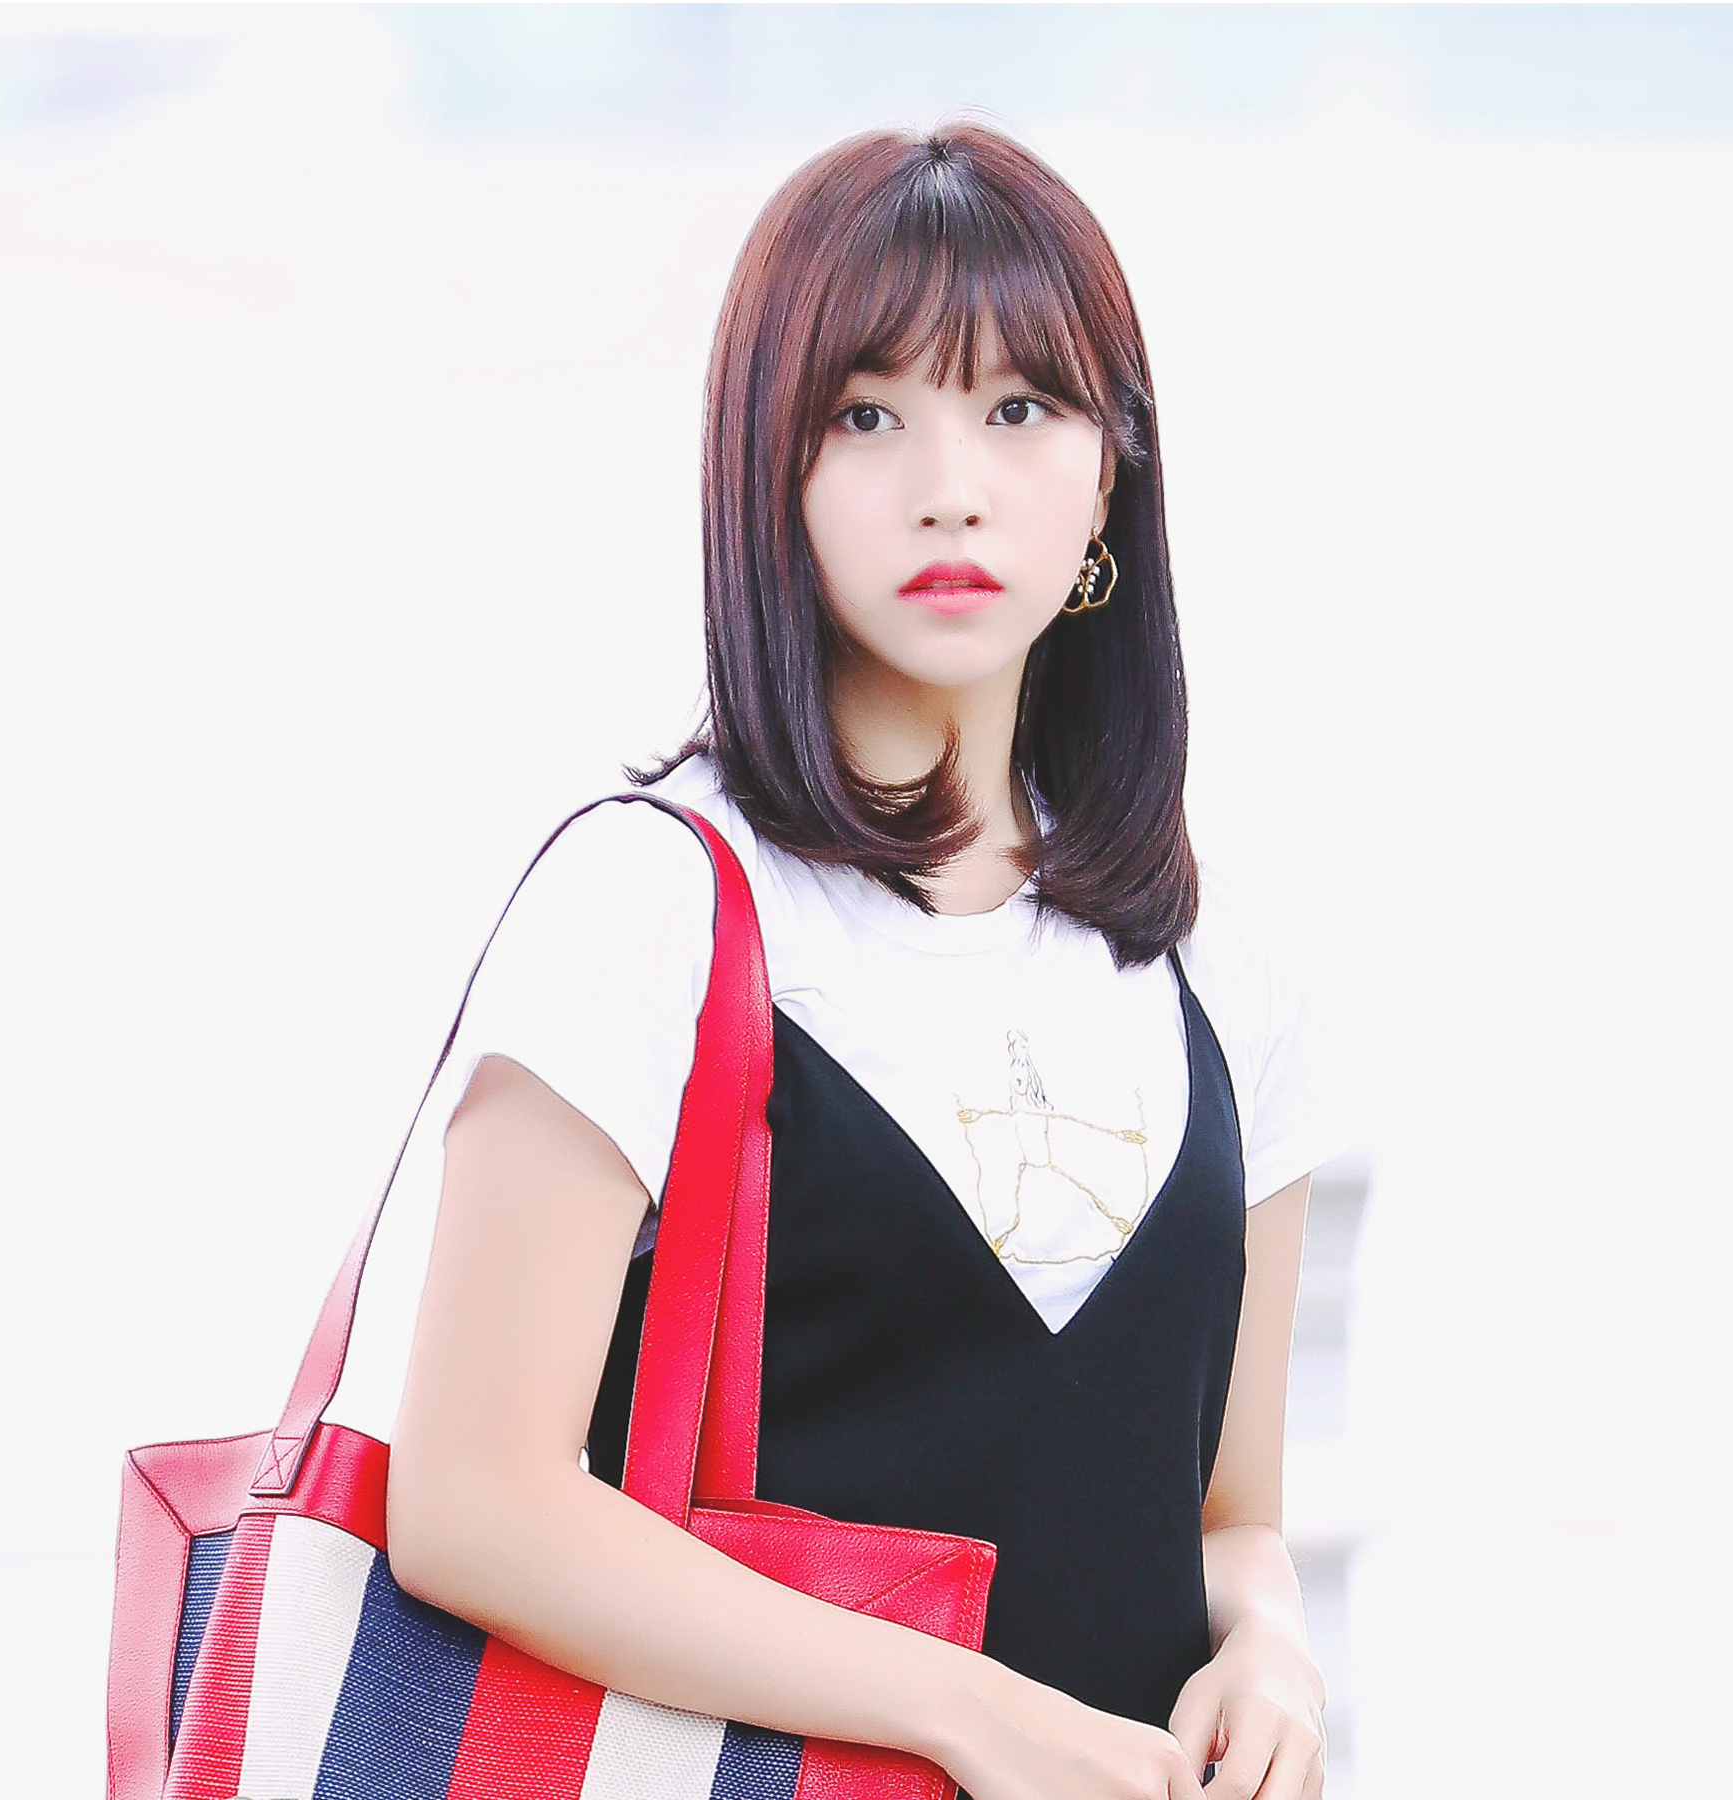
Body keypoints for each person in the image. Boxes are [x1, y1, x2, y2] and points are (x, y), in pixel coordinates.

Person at [330, 119, 1377, 1800]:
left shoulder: (1220, 958)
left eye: (1019, 409)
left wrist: (1272, 1648)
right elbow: (472, 1499)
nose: (950, 484)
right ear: (774, 473)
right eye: (869, 415)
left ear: (1111, 470)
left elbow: (1225, 1515)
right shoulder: (654, 903)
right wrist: (967, 1711)